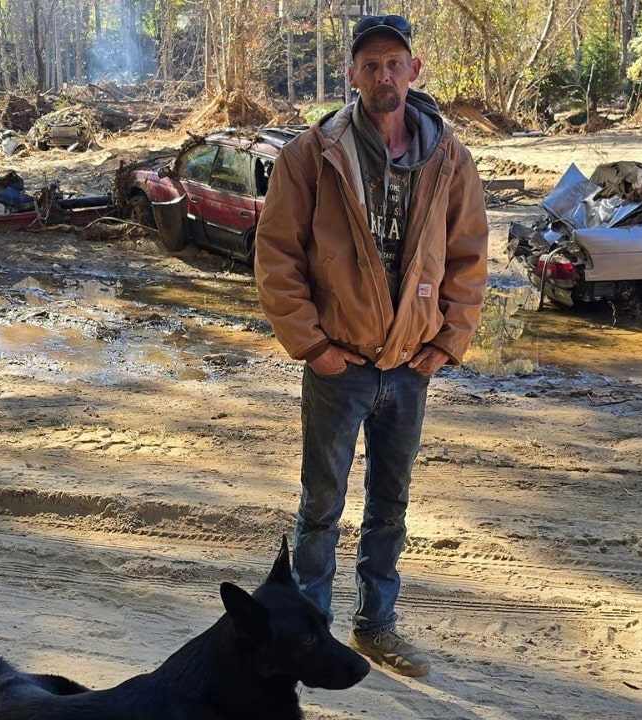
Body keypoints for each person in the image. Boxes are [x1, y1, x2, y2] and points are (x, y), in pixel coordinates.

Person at [254, 14, 488, 678]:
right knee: (320, 509)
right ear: (352, 75)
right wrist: (312, 346)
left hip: (410, 368)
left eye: (393, 63)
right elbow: (276, 257)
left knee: (391, 506)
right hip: (339, 367)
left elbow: (469, 257)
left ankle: (377, 626)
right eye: (370, 65)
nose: (383, 75)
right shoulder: (312, 154)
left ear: (414, 70)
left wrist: (447, 341)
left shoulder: (449, 157)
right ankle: (308, 640)